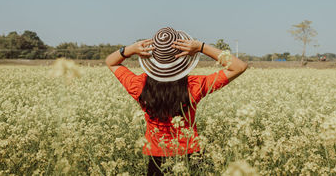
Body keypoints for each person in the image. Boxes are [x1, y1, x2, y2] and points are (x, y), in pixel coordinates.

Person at [105, 27, 248, 175]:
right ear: (183, 59)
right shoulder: (194, 86)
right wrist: (201, 47)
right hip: (191, 157)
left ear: (153, 60)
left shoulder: (138, 85)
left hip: (157, 161)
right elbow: (239, 67)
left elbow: (111, 62)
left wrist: (130, 49)